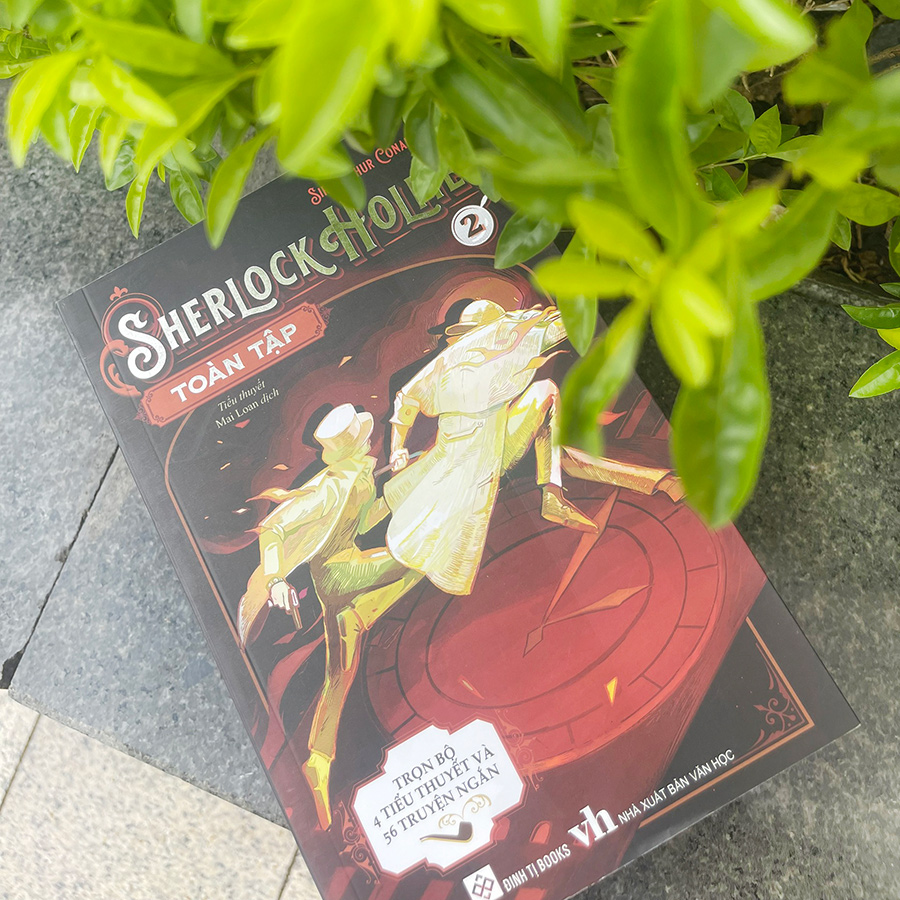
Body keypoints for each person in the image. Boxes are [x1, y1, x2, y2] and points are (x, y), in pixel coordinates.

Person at [384, 299, 682, 597]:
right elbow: (406, 400)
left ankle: (558, 494)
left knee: (547, 395)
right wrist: (397, 448)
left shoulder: (506, 356)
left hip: (502, 448)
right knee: (418, 547)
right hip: (459, 470)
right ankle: (651, 483)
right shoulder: (447, 366)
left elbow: (558, 329)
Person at [238, 404, 422, 829]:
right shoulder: (331, 487)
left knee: (340, 676)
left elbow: (363, 522)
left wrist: (401, 480)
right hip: (340, 574)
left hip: (341, 576)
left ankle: (317, 763)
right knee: (419, 552)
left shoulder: (358, 476)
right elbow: (273, 529)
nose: (370, 439)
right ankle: (372, 610)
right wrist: (276, 579)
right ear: (355, 444)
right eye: (363, 436)